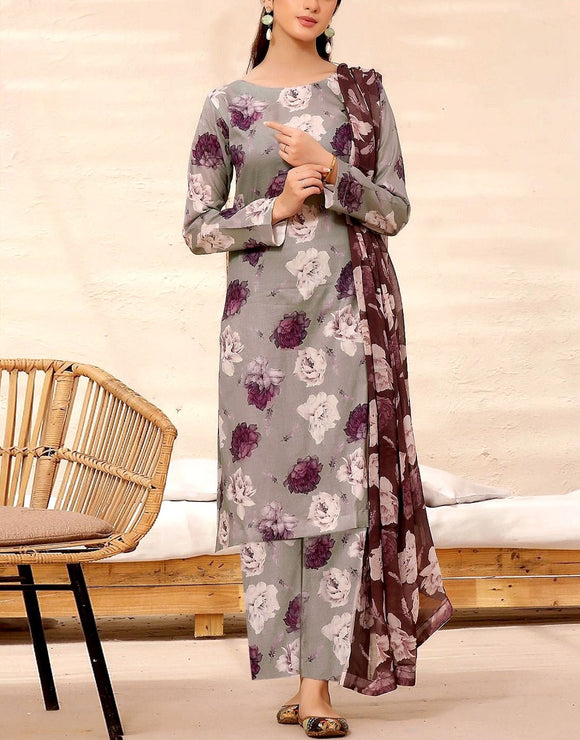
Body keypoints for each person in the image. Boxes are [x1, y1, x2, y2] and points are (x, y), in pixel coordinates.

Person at [182, 2, 452, 737]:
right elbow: (197, 228)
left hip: (348, 319)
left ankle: (317, 690)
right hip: (258, 334)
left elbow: (394, 211)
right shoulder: (226, 105)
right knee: (272, 502)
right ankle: (293, 671)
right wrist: (272, 207)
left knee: (339, 497)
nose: (312, 0)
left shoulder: (360, 95)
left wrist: (333, 170)